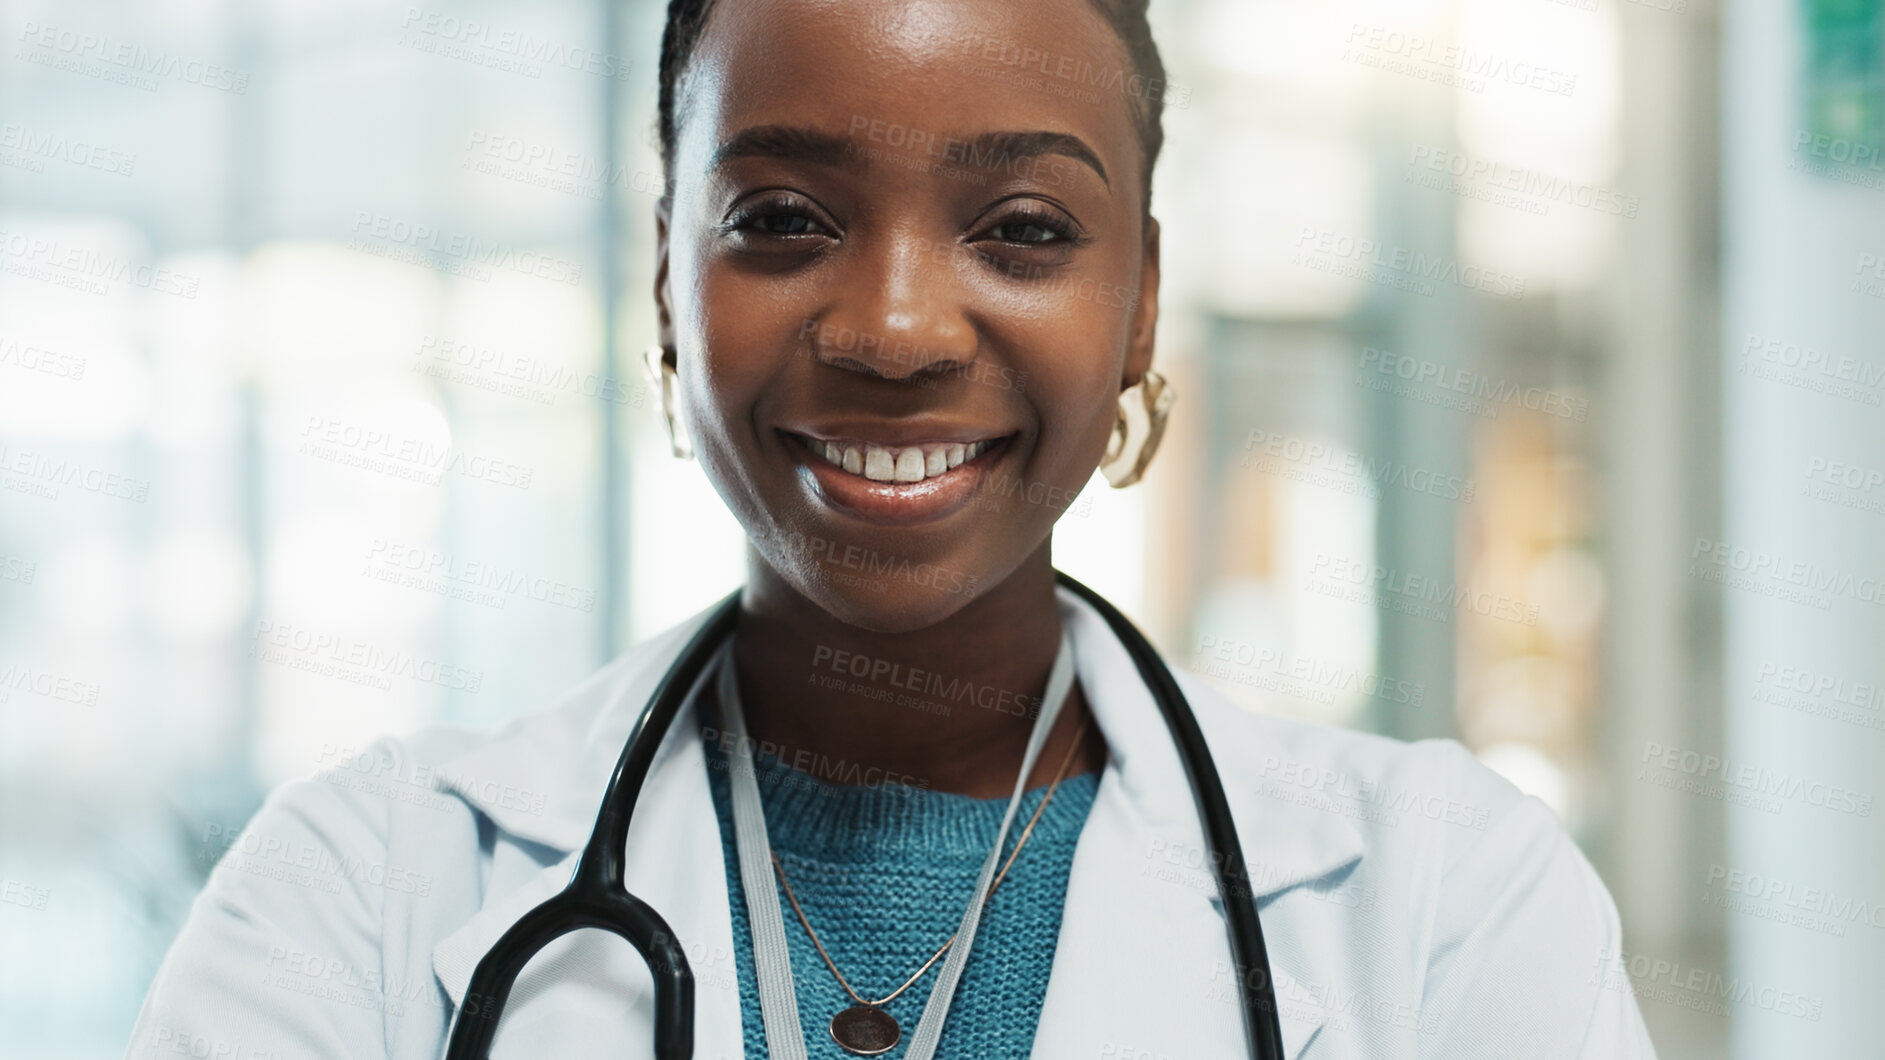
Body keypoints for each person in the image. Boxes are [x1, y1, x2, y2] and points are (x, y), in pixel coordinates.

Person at [126, 0, 1659, 1057]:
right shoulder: (358, 886)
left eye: (1024, 231)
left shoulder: (1450, 897)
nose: (897, 328)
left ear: (1139, 303)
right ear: (670, 284)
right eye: (783, 218)